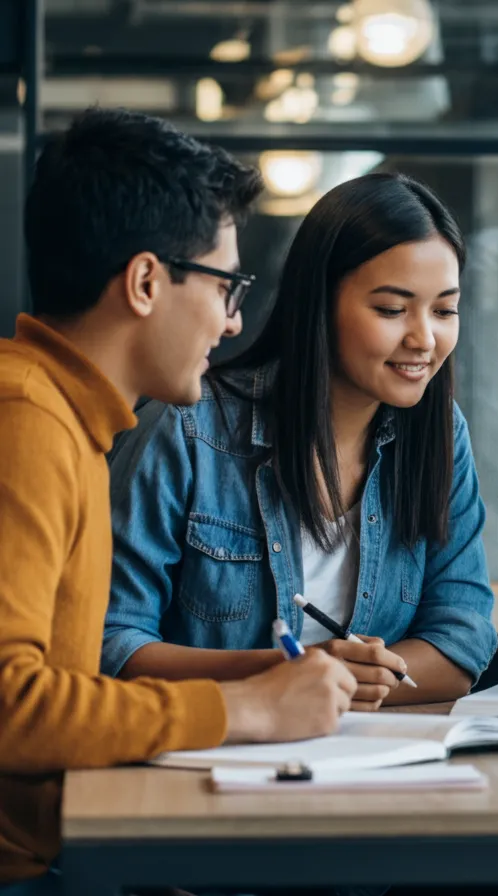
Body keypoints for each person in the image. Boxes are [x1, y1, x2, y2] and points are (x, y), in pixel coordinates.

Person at [0, 108, 357, 895]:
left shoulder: (66, 418)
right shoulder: (26, 423)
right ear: (145, 281)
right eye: (227, 285)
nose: (233, 322)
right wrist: (249, 713)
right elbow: (10, 707)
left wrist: (265, 677)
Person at [102, 172, 498, 710]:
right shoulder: (190, 427)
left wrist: (350, 683)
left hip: (370, 762)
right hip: (208, 758)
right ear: (319, 303)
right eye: (390, 309)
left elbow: (461, 638)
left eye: (444, 310)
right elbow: (111, 643)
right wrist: (285, 679)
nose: (424, 338)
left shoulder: (438, 432)